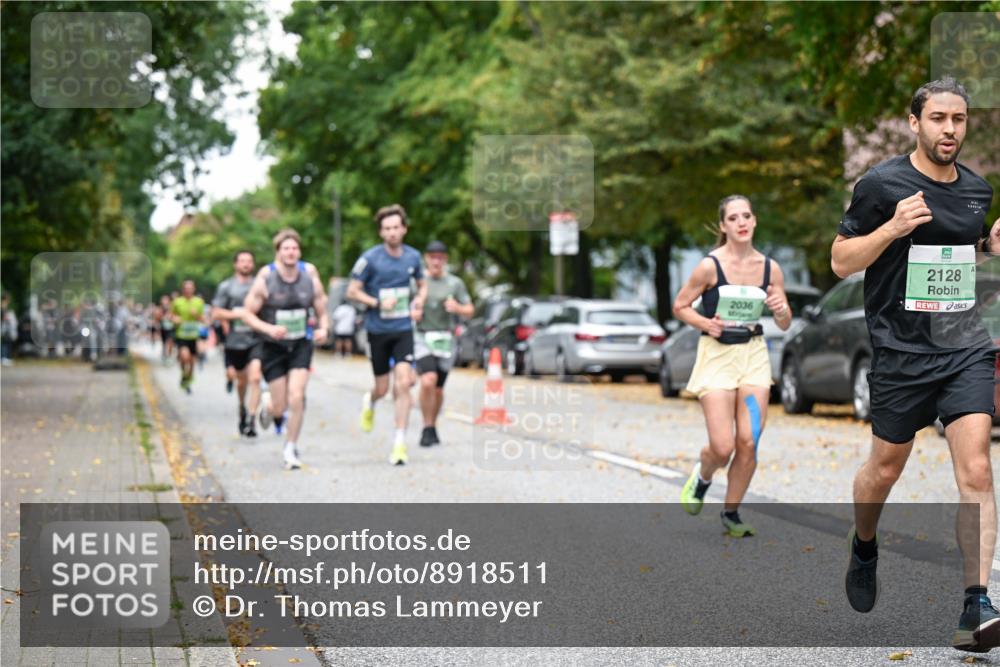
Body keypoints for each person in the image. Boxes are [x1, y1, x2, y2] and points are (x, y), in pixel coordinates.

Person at [831, 77, 999, 652]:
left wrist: (988, 248)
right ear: (914, 123)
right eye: (938, 118)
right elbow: (840, 260)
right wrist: (892, 227)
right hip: (901, 353)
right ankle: (864, 543)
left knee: (976, 470)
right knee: (884, 469)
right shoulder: (882, 185)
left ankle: (976, 604)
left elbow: (958, 252)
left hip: (964, 346)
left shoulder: (977, 189)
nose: (949, 129)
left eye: (959, 119)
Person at [673, 194, 792, 537]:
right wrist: (706, 324)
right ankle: (703, 475)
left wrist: (781, 309)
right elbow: (680, 306)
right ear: (723, 226)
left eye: (746, 216)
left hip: (753, 354)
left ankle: (731, 513)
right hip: (717, 356)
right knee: (723, 446)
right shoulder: (710, 266)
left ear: (754, 221)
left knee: (749, 441)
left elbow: (784, 322)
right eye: (733, 218)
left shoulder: (770, 269)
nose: (741, 223)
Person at [346, 204, 427, 466]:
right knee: (382, 388)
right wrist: (377, 302)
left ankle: (399, 442)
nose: (392, 232)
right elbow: (352, 291)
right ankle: (370, 401)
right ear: (381, 232)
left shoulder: (413, 257)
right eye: (387, 228)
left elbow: (423, 285)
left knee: (403, 383)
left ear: (404, 229)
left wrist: (419, 301)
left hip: (403, 329)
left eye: (396, 227)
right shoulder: (370, 259)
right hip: (378, 330)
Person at [242, 229, 329, 470]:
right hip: (273, 347)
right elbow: (247, 314)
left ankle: (290, 447)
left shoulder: (309, 276)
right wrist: (269, 329)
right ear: (278, 252)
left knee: (297, 395)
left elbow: (321, 309)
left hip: (300, 344)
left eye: (294, 248)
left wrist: (324, 328)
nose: (291, 252)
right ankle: (270, 405)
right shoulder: (266, 278)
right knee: (280, 407)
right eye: (286, 248)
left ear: (299, 251)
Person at [414, 241, 473, 447]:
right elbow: (408, 306)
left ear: (445, 259)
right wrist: (415, 311)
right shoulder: (418, 282)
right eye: (432, 257)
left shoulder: (455, 283)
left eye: (440, 257)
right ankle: (425, 426)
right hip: (422, 337)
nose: (436, 261)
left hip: (446, 340)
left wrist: (457, 308)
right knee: (427, 380)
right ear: (426, 259)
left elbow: (470, 309)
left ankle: (432, 424)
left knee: (438, 389)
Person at [212, 250, 261, 437]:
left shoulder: (259, 285)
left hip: (255, 339)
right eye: (242, 261)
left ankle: (252, 419)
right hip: (235, 341)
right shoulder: (226, 286)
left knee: (255, 378)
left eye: (249, 261)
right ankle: (242, 407)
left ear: (253, 264)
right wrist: (238, 315)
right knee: (241, 382)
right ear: (236, 264)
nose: (246, 264)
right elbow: (216, 312)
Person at [171, 280, 206, 394]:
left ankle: (188, 379)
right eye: (186, 288)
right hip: (181, 335)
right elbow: (171, 316)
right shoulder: (177, 302)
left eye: (190, 288)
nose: (188, 290)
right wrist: (175, 319)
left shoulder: (199, 302)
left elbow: (203, 319)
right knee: (184, 357)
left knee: (191, 362)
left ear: (194, 289)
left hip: (193, 336)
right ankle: (184, 374)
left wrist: (197, 315)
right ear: (183, 290)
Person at [1, 293, 17, 366]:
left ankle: (6, 357)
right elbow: (3, 317)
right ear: (6, 299)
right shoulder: (2, 306)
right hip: (3, 327)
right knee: (4, 342)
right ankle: (3, 357)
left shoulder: (5, 307)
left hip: (6, 327)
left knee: (7, 342)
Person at [158, 294, 175, 362]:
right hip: (163, 329)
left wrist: (170, 317)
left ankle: (169, 355)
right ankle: (165, 355)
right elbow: (157, 318)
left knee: (170, 342)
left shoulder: (172, 307)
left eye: (166, 299)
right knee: (164, 343)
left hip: (171, 328)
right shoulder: (160, 308)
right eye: (163, 300)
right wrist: (162, 316)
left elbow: (174, 316)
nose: (164, 301)